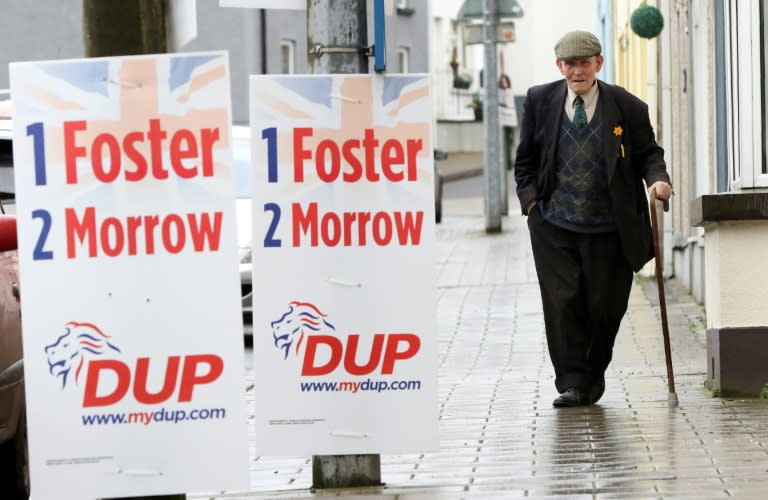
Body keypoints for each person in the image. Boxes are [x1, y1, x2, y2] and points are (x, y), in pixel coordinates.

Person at [513, 30, 673, 407]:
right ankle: (572, 382)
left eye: (585, 63)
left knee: (604, 306)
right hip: (554, 222)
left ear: (599, 63)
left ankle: (593, 373)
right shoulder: (540, 101)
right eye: (570, 64)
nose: (577, 71)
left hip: (610, 226)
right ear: (560, 66)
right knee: (562, 302)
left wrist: (659, 181)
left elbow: (649, 153)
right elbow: (525, 161)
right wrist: (532, 204)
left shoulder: (627, 106)